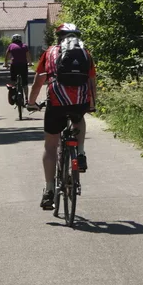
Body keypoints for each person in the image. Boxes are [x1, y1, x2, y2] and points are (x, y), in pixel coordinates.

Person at [26, 23, 97, 210]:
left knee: (50, 147)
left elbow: (39, 81)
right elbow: (91, 81)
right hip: (79, 102)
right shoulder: (85, 54)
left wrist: (31, 102)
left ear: (58, 37)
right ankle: (80, 153)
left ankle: (49, 190)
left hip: (56, 103)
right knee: (78, 119)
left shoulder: (49, 53)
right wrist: (92, 104)